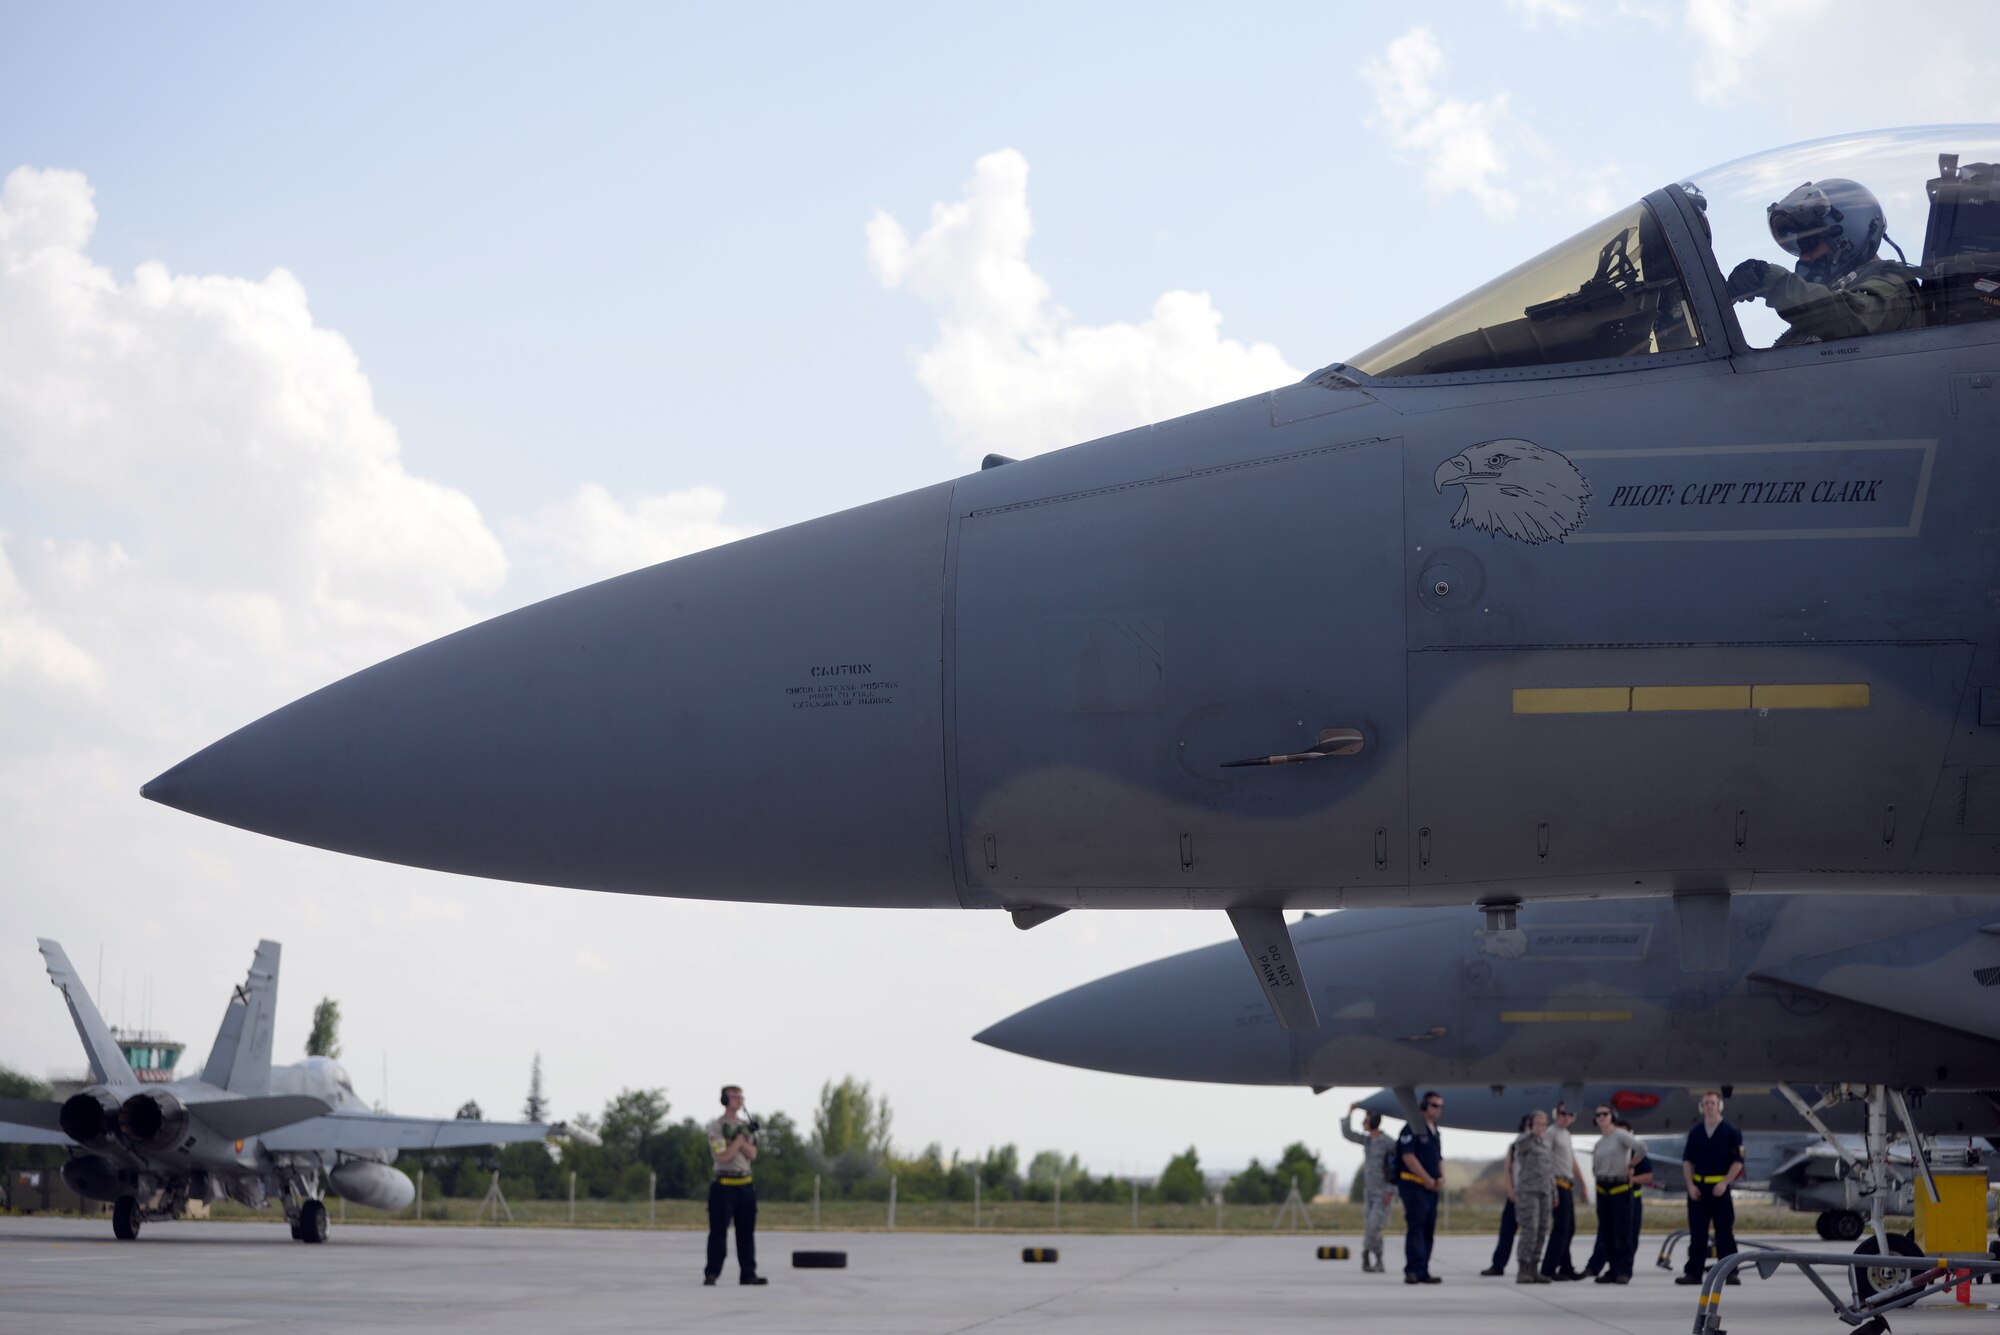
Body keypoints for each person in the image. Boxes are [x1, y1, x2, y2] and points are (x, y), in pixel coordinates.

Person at [1726, 178, 1918, 346]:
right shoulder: (1832, 300)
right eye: (1801, 248)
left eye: (1810, 243)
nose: (1805, 258)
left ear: (1847, 238)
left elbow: (1853, 318)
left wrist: (1775, 282)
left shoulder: (1893, 287)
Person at [1676, 1090, 1744, 1286]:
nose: (1709, 1106)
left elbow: (1738, 1162)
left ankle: (1730, 1272)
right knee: (1698, 1232)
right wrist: (1690, 1185)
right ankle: (1694, 1273)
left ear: (1719, 1106)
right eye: (1706, 1103)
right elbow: (1687, 1161)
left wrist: (1724, 1183)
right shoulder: (1696, 1133)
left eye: (1712, 1103)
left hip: (1720, 1190)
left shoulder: (1731, 1132)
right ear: (1701, 1107)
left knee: (1724, 1232)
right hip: (1699, 1189)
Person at [703, 1084, 766, 1287]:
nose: (739, 1100)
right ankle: (712, 1273)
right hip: (724, 1184)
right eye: (734, 1097)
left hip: (745, 1184)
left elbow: (753, 1154)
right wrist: (740, 1138)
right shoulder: (717, 1127)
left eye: (741, 1097)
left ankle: (748, 1273)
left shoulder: (745, 1126)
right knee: (718, 1232)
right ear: (724, 1100)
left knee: (746, 1232)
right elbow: (723, 1156)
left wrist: (740, 1137)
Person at [1586, 1105, 1644, 1284]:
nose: (1601, 1117)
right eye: (1598, 1115)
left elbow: (1641, 1148)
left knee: (1622, 1232)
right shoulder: (1599, 1143)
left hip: (1619, 1187)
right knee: (1607, 1232)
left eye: (1605, 1114)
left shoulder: (1620, 1135)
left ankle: (1624, 1271)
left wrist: (1631, 1165)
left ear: (1613, 1116)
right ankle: (1612, 1270)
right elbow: (1595, 1166)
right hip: (1603, 1188)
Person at [1396, 1091, 1446, 1284]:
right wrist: (1426, 1178)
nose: (1438, 1109)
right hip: (1413, 1185)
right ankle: (1413, 1270)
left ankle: (1423, 1270)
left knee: (1428, 1228)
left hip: (1431, 1188)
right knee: (1416, 1227)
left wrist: (1440, 1178)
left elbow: (1438, 1157)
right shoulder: (1412, 1128)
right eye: (1435, 1105)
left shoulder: (1435, 1131)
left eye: (1441, 1106)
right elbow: (1408, 1156)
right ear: (1424, 1107)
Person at [1342, 1103, 1396, 1273]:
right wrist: (1350, 1112)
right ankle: (1378, 1259)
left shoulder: (1389, 1143)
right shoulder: (1368, 1141)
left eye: (1365, 1120)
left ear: (1373, 1121)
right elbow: (1348, 1134)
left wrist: (1391, 1191)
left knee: (1374, 1226)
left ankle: (1365, 1252)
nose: (1363, 1124)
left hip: (1384, 1192)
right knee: (1372, 1227)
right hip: (1370, 1192)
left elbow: (1396, 1168)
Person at [1540, 1103, 1589, 1281]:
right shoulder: (1551, 1133)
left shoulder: (1566, 1134)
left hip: (1567, 1185)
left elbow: (1572, 1161)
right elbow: (1544, 1159)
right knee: (1561, 1228)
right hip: (1557, 1185)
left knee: (1568, 1228)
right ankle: (1548, 1269)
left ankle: (1566, 1267)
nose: (1566, 1117)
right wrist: (1550, 1187)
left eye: (1570, 1113)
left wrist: (1583, 1184)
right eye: (1562, 1113)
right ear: (1555, 1114)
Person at [1481, 1115, 1532, 1276]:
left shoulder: (1541, 1145)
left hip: (1533, 1196)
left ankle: (1529, 1266)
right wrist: (1510, 1190)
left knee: (1531, 1233)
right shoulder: (1515, 1146)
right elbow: (1508, 1169)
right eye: (1529, 1125)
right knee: (1507, 1230)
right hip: (1516, 1194)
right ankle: (1498, 1264)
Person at [1510, 1110, 1556, 1284]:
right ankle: (1523, 1269)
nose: (1541, 1127)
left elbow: (1549, 1171)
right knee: (1530, 1230)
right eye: (1537, 1123)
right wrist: (1531, 1133)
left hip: (1545, 1192)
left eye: (1544, 1124)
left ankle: (1534, 1268)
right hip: (1528, 1193)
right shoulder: (1524, 1141)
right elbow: (1520, 1147)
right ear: (1530, 1125)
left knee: (1542, 1230)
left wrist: (1554, 1192)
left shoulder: (1545, 1144)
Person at [1621, 1117, 1655, 1278]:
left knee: (1631, 1236)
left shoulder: (1637, 1154)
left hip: (1632, 1200)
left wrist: (1630, 1179)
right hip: (1613, 1200)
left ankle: (1625, 1269)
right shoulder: (1611, 1152)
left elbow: (1648, 1177)